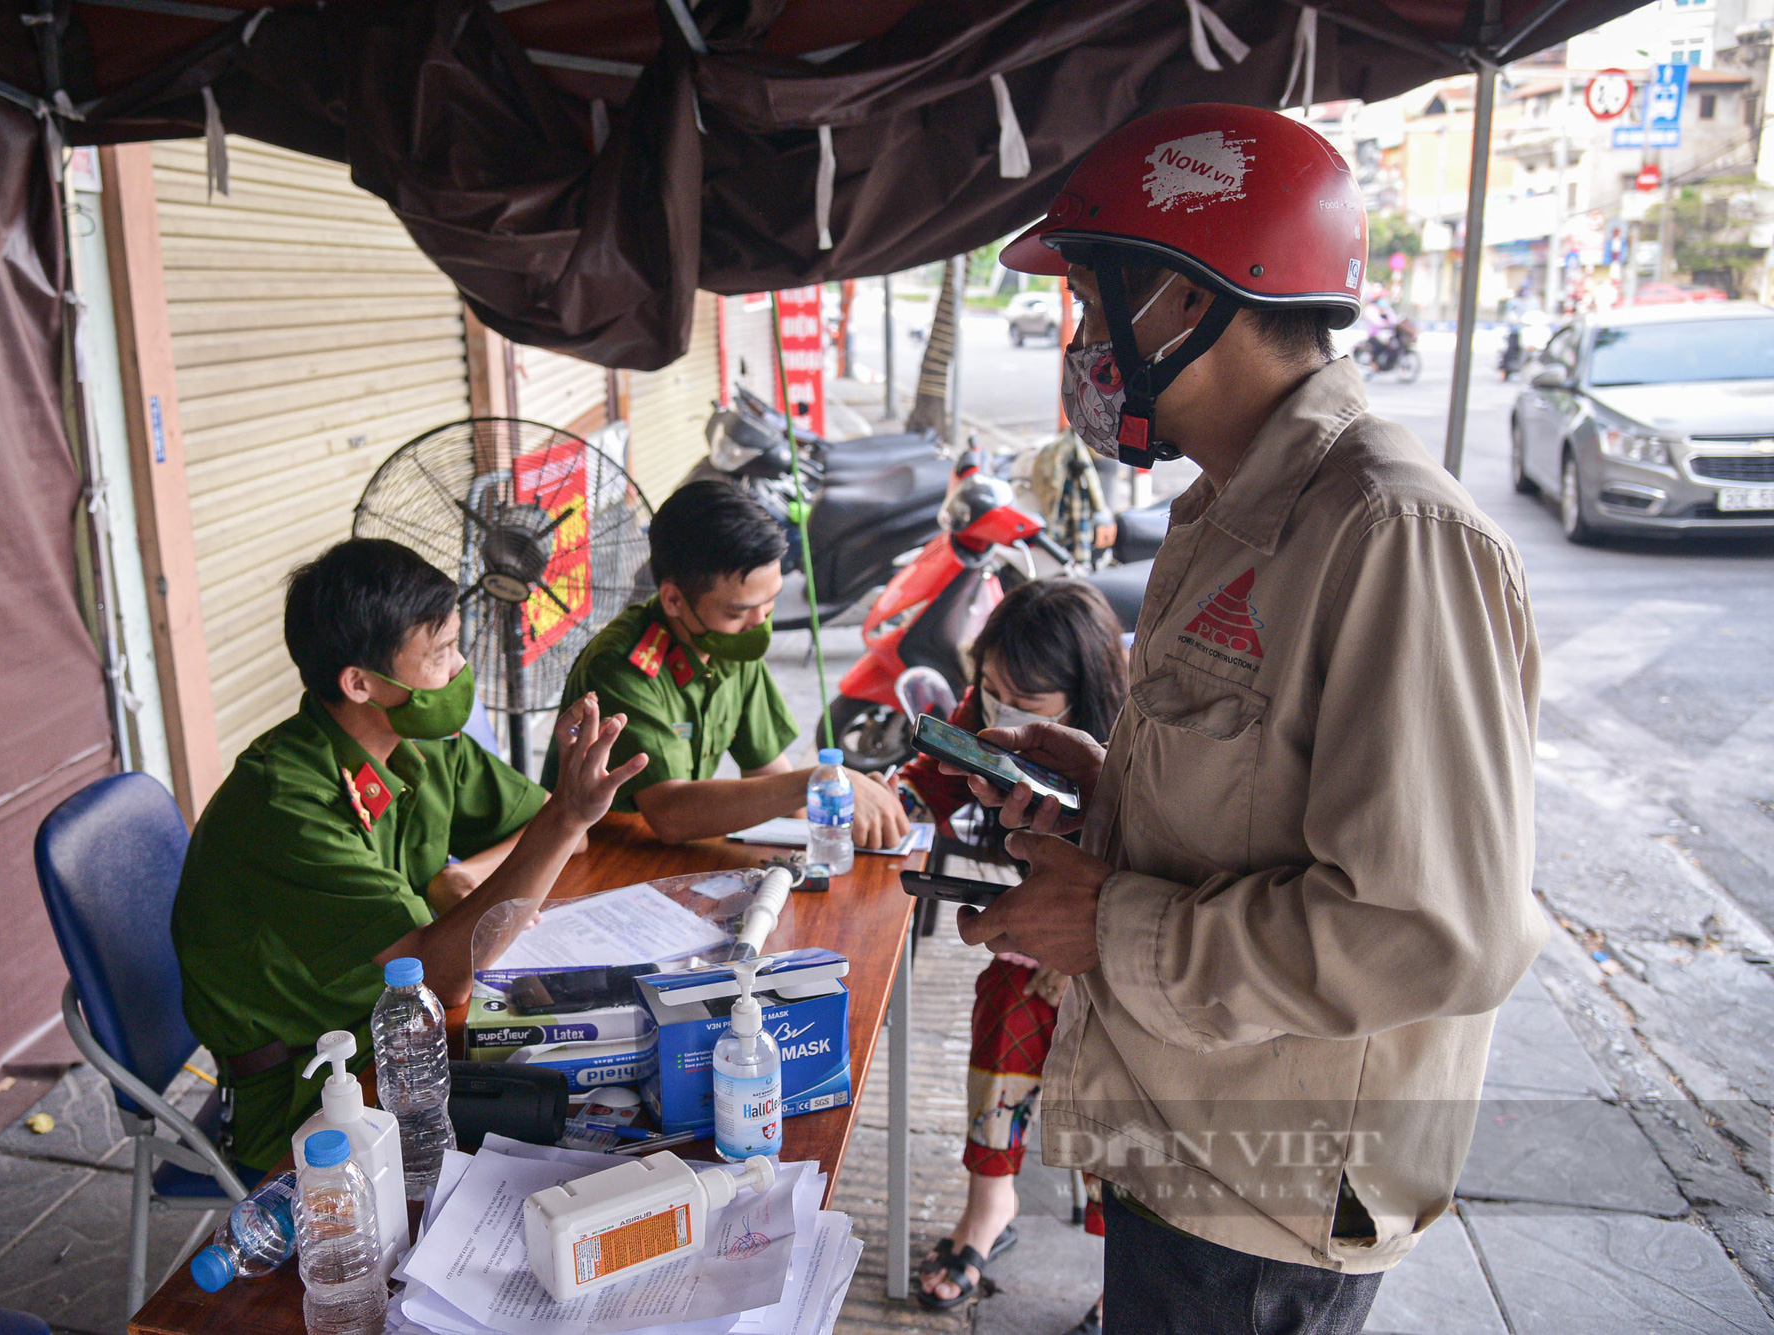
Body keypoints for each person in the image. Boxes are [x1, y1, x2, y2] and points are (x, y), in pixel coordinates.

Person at [954, 103, 1542, 1332]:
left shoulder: (1388, 536)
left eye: (1094, 294)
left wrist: (1107, 922)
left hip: (1263, 1199)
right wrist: (1108, 777)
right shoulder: (1222, 513)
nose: (1082, 341)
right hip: (1176, 1143)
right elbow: (1262, 790)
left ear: (1181, 300)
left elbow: (1433, 929)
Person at [174, 538, 645, 1174]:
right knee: (568, 1150)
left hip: (405, 1034)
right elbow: (440, 973)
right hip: (316, 1088)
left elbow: (559, 835)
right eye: (441, 653)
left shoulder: (418, 743)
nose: (458, 672)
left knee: (619, 1069)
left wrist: (471, 874)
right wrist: (564, 817)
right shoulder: (284, 801)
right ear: (361, 683)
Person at [898, 581, 1127, 1325]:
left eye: (1028, 699)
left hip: (1128, 960)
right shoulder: (983, 713)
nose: (1003, 713)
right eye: (992, 689)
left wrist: (1090, 953)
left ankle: (1127, 1269)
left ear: (1084, 694)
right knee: (1005, 1010)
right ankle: (988, 1209)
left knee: (1113, 1089)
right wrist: (891, 797)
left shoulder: (1135, 744)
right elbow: (925, 782)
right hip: (1030, 948)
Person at [546, 480, 909, 848]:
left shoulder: (730, 642)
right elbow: (669, 813)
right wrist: (817, 779)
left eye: (770, 602)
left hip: (672, 854)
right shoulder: (621, 667)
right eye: (738, 611)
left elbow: (768, 771)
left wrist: (838, 818)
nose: (759, 622)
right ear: (672, 599)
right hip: (598, 856)